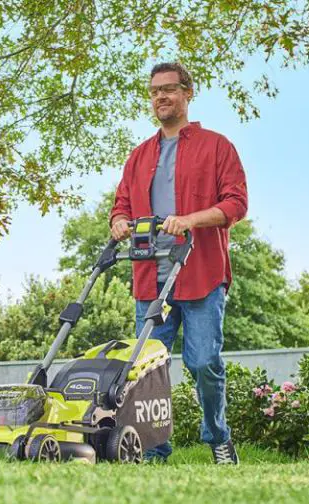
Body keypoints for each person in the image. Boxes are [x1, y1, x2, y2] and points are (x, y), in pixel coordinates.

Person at [109, 62, 248, 464]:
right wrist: (119, 221)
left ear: (188, 92)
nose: (161, 97)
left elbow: (236, 203)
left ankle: (218, 437)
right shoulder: (139, 156)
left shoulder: (217, 146)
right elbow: (121, 203)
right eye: (155, 91)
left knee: (203, 362)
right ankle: (154, 448)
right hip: (150, 278)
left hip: (200, 274)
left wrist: (190, 220)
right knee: (146, 370)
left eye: (169, 89)